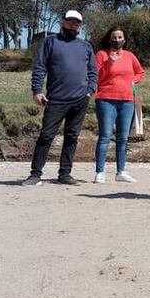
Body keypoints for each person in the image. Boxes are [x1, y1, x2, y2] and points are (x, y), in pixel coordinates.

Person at [23, 10, 97, 187]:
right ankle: (35, 174)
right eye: (70, 21)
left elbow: (93, 71)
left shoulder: (86, 46)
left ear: (80, 27)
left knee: (72, 137)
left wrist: (90, 90)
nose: (73, 25)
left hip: (80, 99)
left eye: (76, 23)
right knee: (46, 136)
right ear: (62, 22)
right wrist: (37, 90)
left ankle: (65, 174)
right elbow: (40, 67)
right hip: (56, 99)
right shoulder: (50, 42)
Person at [93, 27, 145, 184]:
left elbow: (140, 72)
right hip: (106, 99)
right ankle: (100, 172)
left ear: (124, 39)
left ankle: (121, 171)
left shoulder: (130, 56)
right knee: (105, 136)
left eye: (120, 37)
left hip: (127, 100)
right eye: (114, 37)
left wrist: (133, 81)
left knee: (123, 138)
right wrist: (109, 62)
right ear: (109, 39)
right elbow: (96, 76)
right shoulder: (101, 55)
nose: (117, 40)